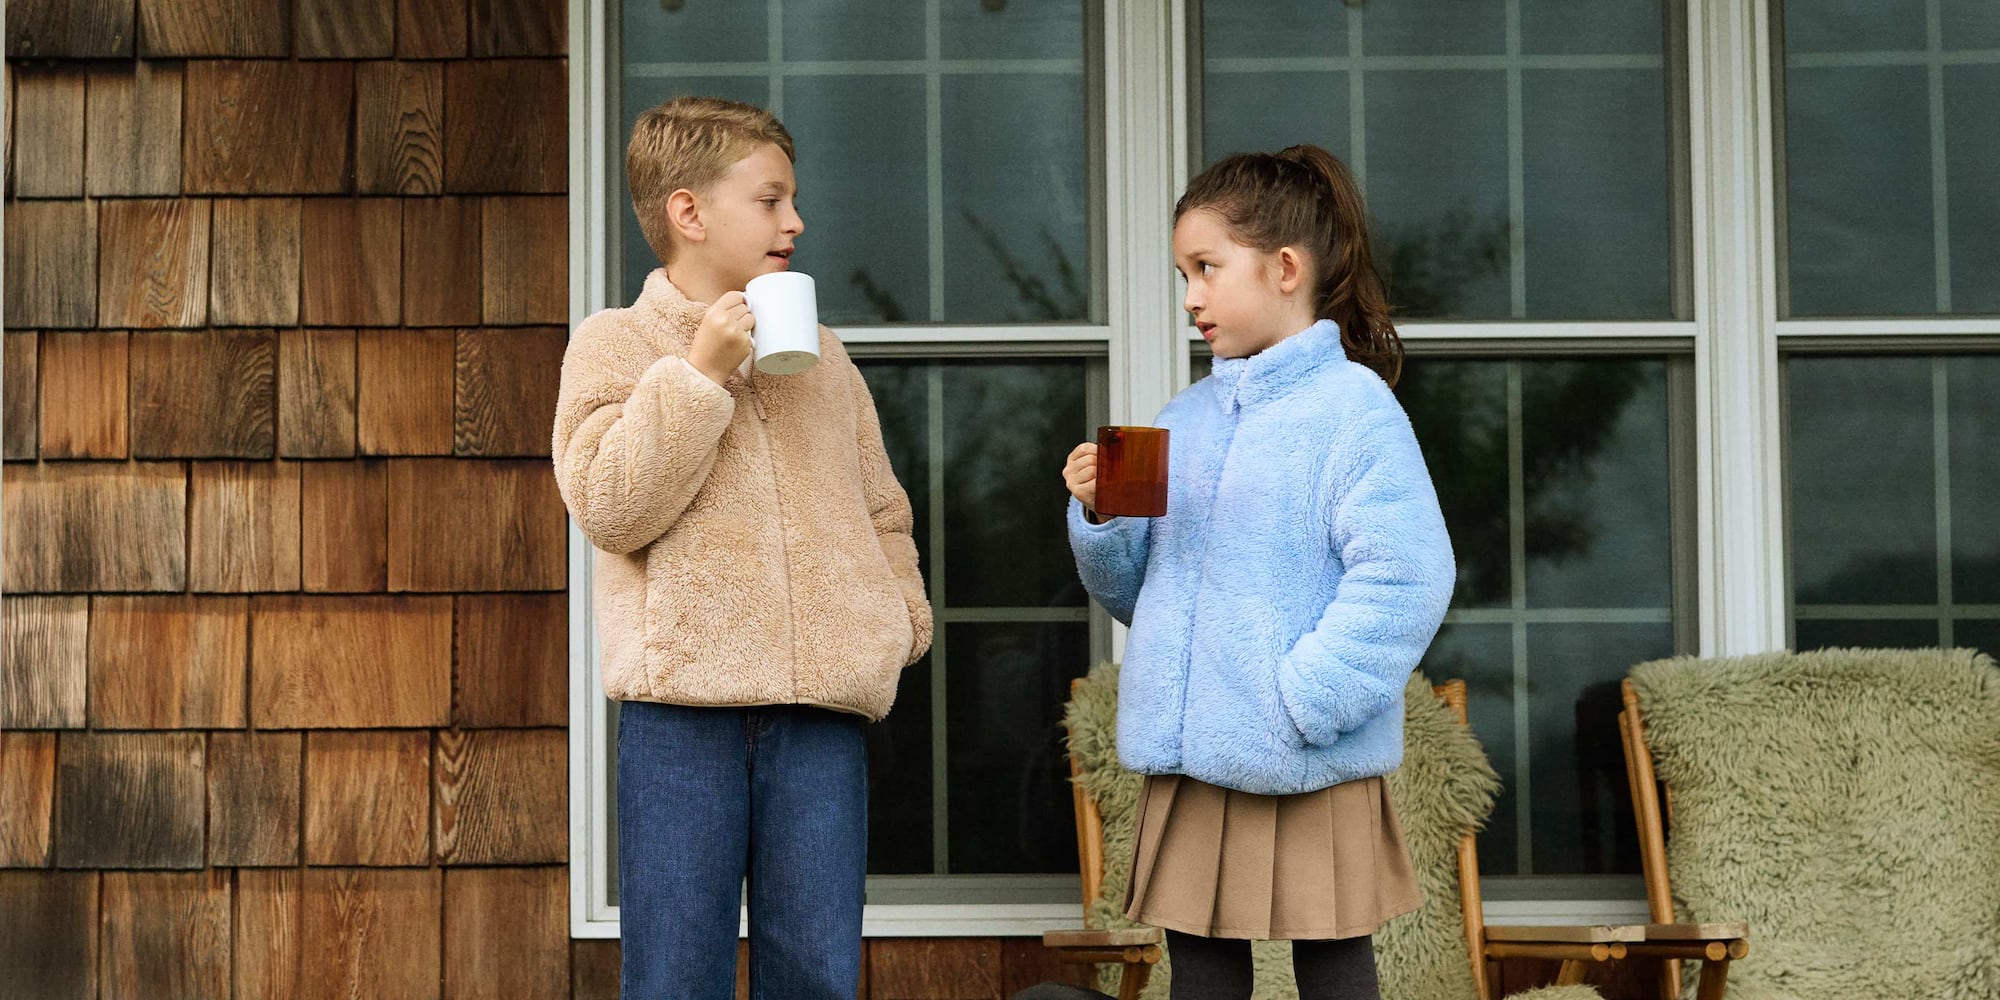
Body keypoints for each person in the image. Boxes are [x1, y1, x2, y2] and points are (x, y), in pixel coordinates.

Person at [552, 96, 932, 999]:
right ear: (689, 212)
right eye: (770, 199)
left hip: (822, 722)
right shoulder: (616, 345)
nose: (795, 220)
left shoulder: (826, 360)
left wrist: (899, 622)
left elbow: (884, 512)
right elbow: (610, 506)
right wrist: (699, 375)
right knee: (675, 975)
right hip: (685, 719)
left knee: (817, 975)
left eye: (791, 200)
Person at [1058, 144, 1455, 1000]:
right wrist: (1103, 519)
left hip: (1306, 749)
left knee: (1334, 967)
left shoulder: (1354, 411)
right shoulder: (1185, 419)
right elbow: (1142, 594)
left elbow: (1409, 576)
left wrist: (1305, 697)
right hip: (1193, 756)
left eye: (1206, 267)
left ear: (1284, 268)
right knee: (1200, 971)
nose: (1192, 296)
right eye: (1182, 275)